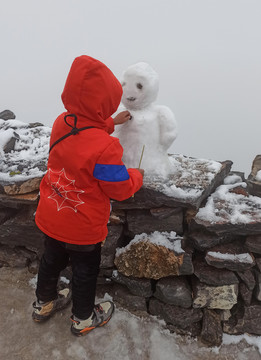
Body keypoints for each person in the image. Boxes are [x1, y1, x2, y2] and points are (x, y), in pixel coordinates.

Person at [32, 55, 144, 336]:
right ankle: (83, 318)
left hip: (51, 216)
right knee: (83, 273)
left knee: (51, 260)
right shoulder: (106, 149)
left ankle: (43, 304)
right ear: (105, 102)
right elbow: (118, 187)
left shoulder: (61, 122)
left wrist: (109, 121)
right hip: (83, 230)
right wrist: (137, 176)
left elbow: (82, 130)